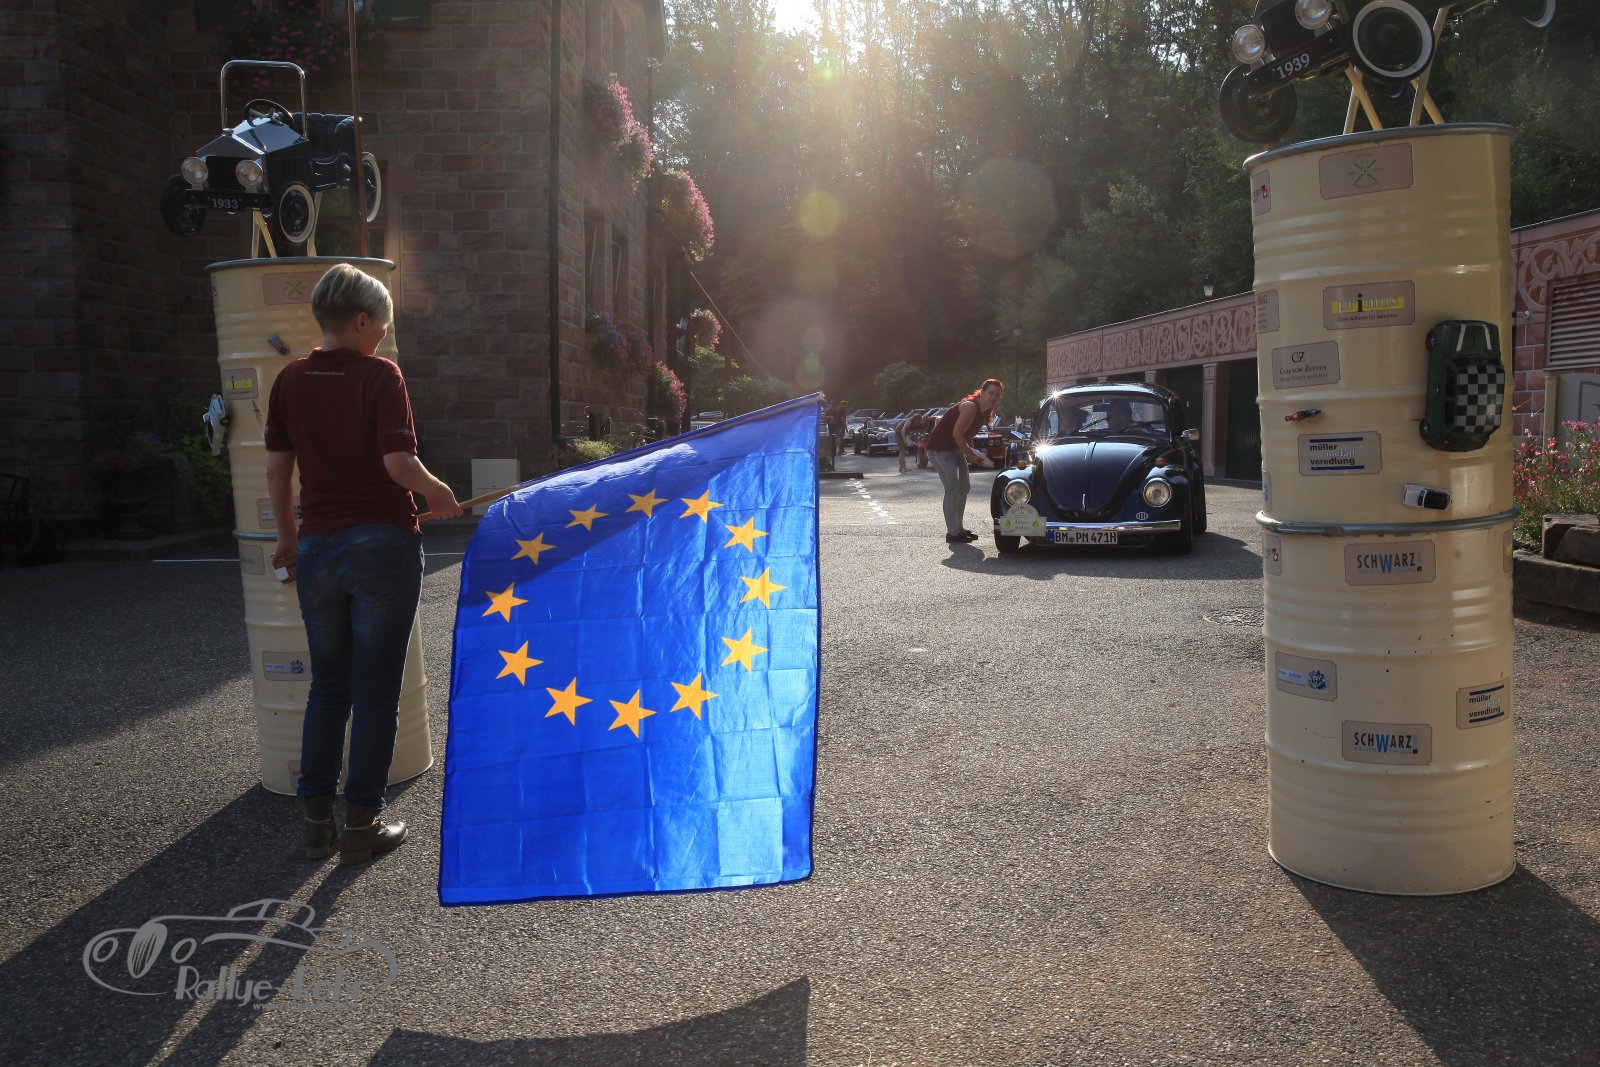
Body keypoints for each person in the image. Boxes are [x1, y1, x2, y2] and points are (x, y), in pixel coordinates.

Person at [264, 263, 463, 865]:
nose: (382, 336)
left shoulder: (289, 379)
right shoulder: (381, 375)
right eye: (381, 326)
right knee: (376, 690)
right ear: (359, 320)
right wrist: (439, 493)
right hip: (381, 544)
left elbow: (277, 471)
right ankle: (362, 824)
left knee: (328, 687)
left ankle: (315, 824)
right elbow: (398, 465)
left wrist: (288, 538)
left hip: (318, 547)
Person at [924, 378, 1004, 543]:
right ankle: (952, 532)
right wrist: (969, 454)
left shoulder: (985, 412)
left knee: (964, 487)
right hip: (940, 448)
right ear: (982, 393)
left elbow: (967, 436)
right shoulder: (970, 407)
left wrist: (973, 453)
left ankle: (959, 528)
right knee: (952, 489)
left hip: (955, 448)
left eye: (997, 395)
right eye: (990, 393)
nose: (994, 397)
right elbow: (957, 434)